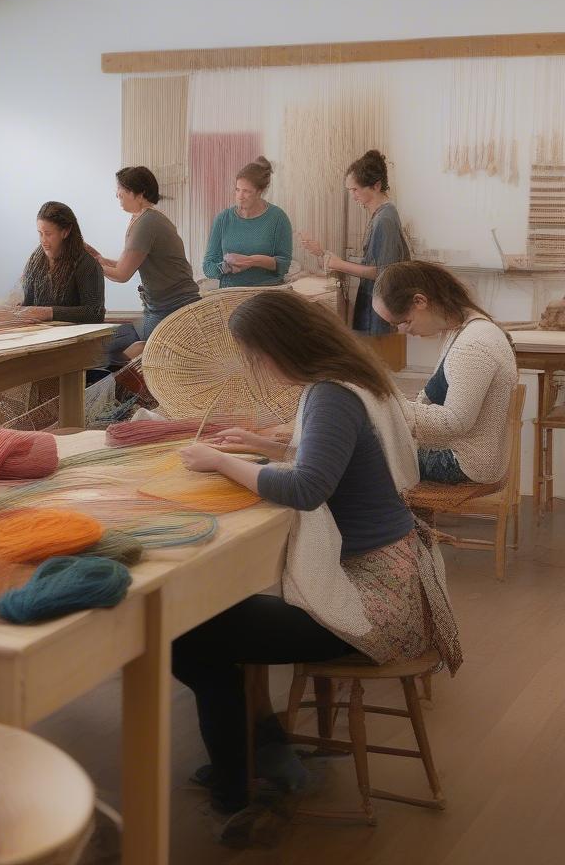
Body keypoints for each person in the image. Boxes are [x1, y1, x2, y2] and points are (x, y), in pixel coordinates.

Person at [171, 290, 461, 840]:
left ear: (281, 346)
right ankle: (260, 748)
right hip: (399, 578)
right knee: (211, 622)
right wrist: (264, 445)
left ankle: (240, 779)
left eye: (256, 354)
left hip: (377, 601)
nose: (256, 366)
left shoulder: (330, 395)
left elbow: (307, 488)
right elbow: (329, 461)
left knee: (193, 635)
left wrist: (221, 460)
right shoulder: (353, 381)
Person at [373, 261, 516, 485]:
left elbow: (453, 423)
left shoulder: (473, 344)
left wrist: (391, 406)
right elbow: (434, 396)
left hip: (466, 462)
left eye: (404, 321)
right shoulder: (463, 327)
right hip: (463, 451)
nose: (404, 331)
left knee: (362, 458)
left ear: (420, 301)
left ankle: (404, 521)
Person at [88, 166, 200, 365]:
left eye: (121, 190)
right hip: (159, 306)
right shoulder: (141, 219)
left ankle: (137, 357)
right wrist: (101, 261)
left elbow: (122, 275)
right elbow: (124, 266)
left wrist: (93, 265)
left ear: (139, 194)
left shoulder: (147, 223)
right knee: (104, 347)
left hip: (173, 308)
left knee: (107, 354)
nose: (117, 194)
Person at [301, 149, 409, 335]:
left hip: (380, 306)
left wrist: (338, 264)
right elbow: (372, 263)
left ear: (376, 186)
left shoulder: (385, 219)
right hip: (374, 302)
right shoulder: (381, 215)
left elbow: (383, 272)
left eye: (355, 189)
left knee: (377, 360)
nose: (352, 196)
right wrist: (324, 254)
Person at [203, 157, 292, 288]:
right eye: (237, 189)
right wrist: (226, 267)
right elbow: (208, 267)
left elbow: (284, 265)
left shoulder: (278, 218)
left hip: (267, 293)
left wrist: (251, 261)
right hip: (231, 293)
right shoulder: (223, 219)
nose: (240, 196)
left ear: (259, 192)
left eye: (246, 191)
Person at [20, 201, 105, 323]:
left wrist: (49, 313)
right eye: (40, 234)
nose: (43, 240)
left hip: (74, 337)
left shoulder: (87, 264)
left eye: (48, 234)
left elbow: (94, 313)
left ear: (66, 231)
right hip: (38, 333)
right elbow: (27, 302)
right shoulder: (36, 259)